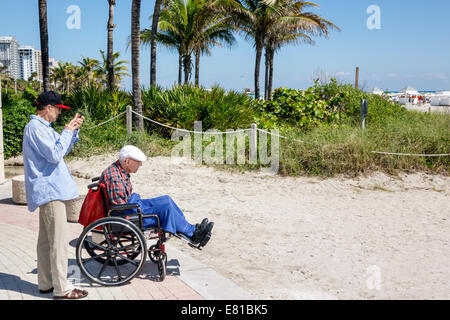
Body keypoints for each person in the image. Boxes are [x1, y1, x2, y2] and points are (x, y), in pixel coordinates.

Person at [22, 91, 88, 300]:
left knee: (45, 242)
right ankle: (62, 289)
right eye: (58, 109)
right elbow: (54, 155)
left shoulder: (42, 129)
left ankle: (45, 284)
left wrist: (72, 131)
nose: (59, 113)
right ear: (48, 108)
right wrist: (67, 131)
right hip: (50, 191)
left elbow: (60, 149)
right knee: (58, 242)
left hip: (50, 191)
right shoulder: (35, 128)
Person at [99, 145, 214, 247]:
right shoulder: (114, 177)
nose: (140, 164)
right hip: (128, 215)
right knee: (165, 208)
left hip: (130, 205)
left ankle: (191, 228)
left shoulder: (118, 169)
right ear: (127, 161)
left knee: (166, 199)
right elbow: (120, 206)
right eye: (138, 161)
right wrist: (135, 201)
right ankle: (192, 233)